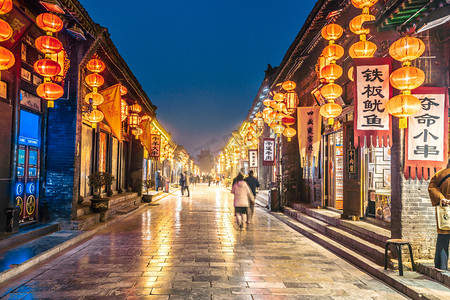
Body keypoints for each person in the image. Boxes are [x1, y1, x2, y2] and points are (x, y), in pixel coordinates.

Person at [428, 159, 450, 271]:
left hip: (445, 211)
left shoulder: (440, 174)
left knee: (443, 238)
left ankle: (441, 266)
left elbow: (431, 188)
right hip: (445, 210)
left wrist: (441, 198)